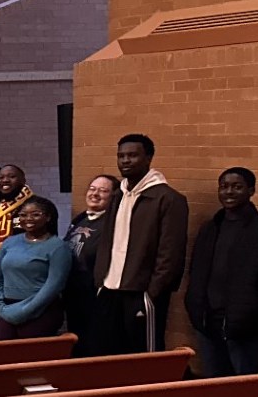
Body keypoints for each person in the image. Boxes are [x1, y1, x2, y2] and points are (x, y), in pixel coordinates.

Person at [185, 167, 258, 377]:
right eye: (224, 187)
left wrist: (253, 311)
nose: (229, 192)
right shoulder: (210, 227)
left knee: (245, 382)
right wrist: (194, 305)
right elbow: (195, 271)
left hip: (244, 326)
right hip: (207, 321)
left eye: (237, 187)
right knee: (214, 382)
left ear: (251, 191)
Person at [92, 134, 189, 355]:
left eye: (133, 155)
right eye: (121, 156)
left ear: (148, 158)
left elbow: (170, 253)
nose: (125, 160)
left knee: (144, 355)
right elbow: (107, 240)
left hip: (141, 292)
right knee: (110, 353)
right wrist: (100, 280)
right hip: (109, 288)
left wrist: (152, 292)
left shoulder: (168, 198)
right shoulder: (118, 195)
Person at [0, 196, 70, 339]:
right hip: (6, 308)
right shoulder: (10, 242)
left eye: (36, 214)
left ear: (48, 217)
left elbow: (54, 286)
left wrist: (24, 310)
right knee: (2, 356)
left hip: (40, 310)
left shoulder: (58, 247)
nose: (28, 219)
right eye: (23, 215)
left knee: (31, 358)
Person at [63, 174, 116, 354]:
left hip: (96, 296)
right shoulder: (80, 219)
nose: (95, 194)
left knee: (94, 343)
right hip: (73, 293)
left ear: (114, 196)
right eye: (92, 189)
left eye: (103, 190)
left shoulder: (113, 223)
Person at [0, 164, 34, 252]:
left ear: (23, 180)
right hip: (2, 260)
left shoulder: (38, 204)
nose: (5, 180)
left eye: (12, 176)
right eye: (0, 177)